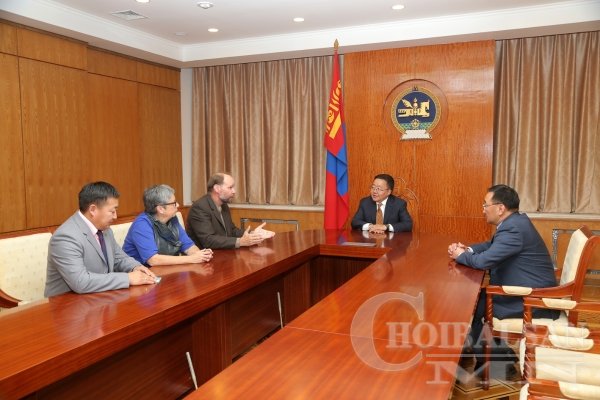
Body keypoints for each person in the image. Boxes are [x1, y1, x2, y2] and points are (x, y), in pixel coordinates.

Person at [448, 184, 558, 355]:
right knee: (476, 299)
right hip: (528, 290)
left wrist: (461, 255)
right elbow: (491, 246)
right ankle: (490, 353)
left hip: (532, 299)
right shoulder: (515, 222)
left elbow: (483, 262)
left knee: (475, 304)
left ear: (500, 208)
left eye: (485, 205)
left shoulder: (513, 228)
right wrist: (467, 250)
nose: (483, 210)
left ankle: (493, 360)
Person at [45, 182, 157, 297]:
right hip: (67, 303)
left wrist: (136, 267)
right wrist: (127, 278)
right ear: (93, 210)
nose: (115, 216)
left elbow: (119, 258)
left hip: (99, 297)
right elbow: (80, 282)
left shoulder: (105, 229)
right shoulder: (66, 237)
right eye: (112, 211)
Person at [122, 184, 213, 266]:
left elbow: (188, 246)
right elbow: (153, 260)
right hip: (143, 273)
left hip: (167, 269)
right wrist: (191, 259)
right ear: (161, 209)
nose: (178, 205)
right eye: (174, 203)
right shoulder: (141, 225)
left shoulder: (172, 219)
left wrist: (201, 255)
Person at [186, 173, 275, 249]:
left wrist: (253, 234)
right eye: (230, 187)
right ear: (217, 188)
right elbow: (208, 240)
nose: (234, 191)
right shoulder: (200, 207)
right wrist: (240, 242)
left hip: (221, 253)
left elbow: (232, 231)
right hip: (203, 257)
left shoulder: (224, 205)